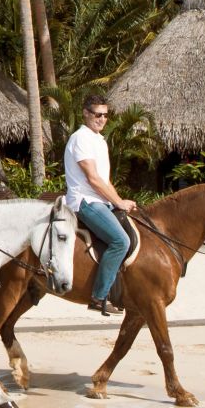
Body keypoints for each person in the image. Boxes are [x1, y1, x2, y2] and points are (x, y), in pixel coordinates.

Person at [63, 93, 134, 316]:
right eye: (97, 114)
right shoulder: (81, 138)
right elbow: (93, 179)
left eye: (105, 115)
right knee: (120, 241)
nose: (102, 119)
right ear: (85, 113)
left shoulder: (99, 140)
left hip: (101, 201)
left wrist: (120, 202)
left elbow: (105, 181)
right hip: (84, 201)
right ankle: (99, 296)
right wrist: (118, 202)